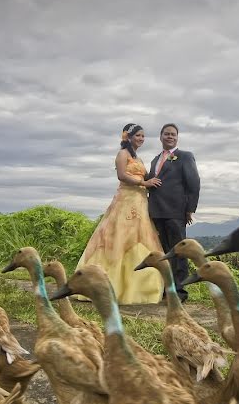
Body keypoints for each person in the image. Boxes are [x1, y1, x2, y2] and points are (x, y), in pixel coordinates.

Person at [75, 123, 164, 304]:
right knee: (119, 237)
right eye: (138, 135)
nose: (141, 139)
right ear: (129, 137)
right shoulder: (122, 154)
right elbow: (122, 176)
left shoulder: (137, 157)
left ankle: (141, 287)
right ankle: (110, 285)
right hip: (125, 200)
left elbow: (145, 176)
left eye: (143, 136)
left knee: (141, 237)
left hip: (140, 202)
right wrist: (144, 184)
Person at [146, 123, 201, 301]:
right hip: (156, 211)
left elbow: (193, 183)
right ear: (160, 137)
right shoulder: (155, 159)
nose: (170, 137)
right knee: (163, 252)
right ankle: (166, 288)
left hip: (176, 211)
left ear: (177, 138)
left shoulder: (185, 156)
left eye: (173, 134)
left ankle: (179, 292)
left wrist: (190, 209)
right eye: (166, 134)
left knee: (179, 252)